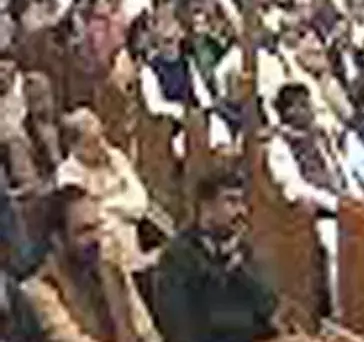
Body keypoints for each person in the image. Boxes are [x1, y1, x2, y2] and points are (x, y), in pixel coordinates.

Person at [153, 169, 281, 342]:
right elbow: (180, 328)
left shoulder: (244, 252)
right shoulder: (177, 256)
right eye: (231, 201)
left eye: (242, 202)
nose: (242, 211)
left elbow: (270, 309)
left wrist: (239, 269)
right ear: (207, 207)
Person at [22, 185, 161, 341]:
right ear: (58, 239)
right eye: (85, 230)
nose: (96, 238)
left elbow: (146, 331)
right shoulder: (41, 290)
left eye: (97, 226)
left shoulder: (112, 270)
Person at [55, 109, 149, 274]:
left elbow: (140, 203)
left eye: (101, 137)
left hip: (132, 247)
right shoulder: (68, 176)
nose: (101, 146)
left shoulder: (115, 158)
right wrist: (122, 206)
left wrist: (108, 205)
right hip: (99, 259)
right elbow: (91, 223)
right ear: (74, 147)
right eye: (92, 142)